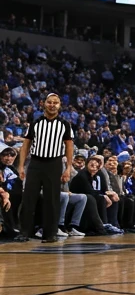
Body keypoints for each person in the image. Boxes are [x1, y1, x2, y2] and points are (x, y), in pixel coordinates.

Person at [15, 93, 73, 245]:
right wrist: (21, 166)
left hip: (54, 163)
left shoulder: (64, 124)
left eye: (56, 102)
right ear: (44, 104)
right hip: (35, 163)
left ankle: (49, 234)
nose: (52, 105)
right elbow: (26, 145)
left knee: (52, 200)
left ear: (59, 105)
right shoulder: (36, 122)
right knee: (29, 198)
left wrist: (68, 168)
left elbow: (69, 146)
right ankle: (24, 232)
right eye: (50, 102)